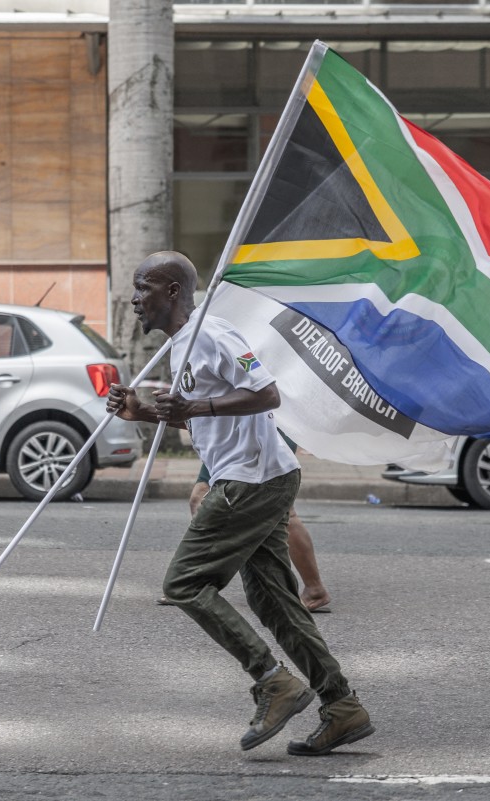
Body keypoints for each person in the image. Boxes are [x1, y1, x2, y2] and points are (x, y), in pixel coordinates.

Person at [106, 251, 374, 755]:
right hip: (258, 475)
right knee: (274, 601)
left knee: (184, 584)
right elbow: (204, 418)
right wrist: (142, 413)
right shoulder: (184, 346)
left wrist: (196, 404)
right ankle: (342, 708)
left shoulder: (213, 334)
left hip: (249, 481)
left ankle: (273, 683)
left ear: (172, 292)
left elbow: (267, 395)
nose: (135, 299)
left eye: (144, 288)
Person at [186, 436, 332, 612]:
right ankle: (195, 579)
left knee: (281, 510)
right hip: (239, 429)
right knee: (201, 495)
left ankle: (192, 580)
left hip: (258, 427)